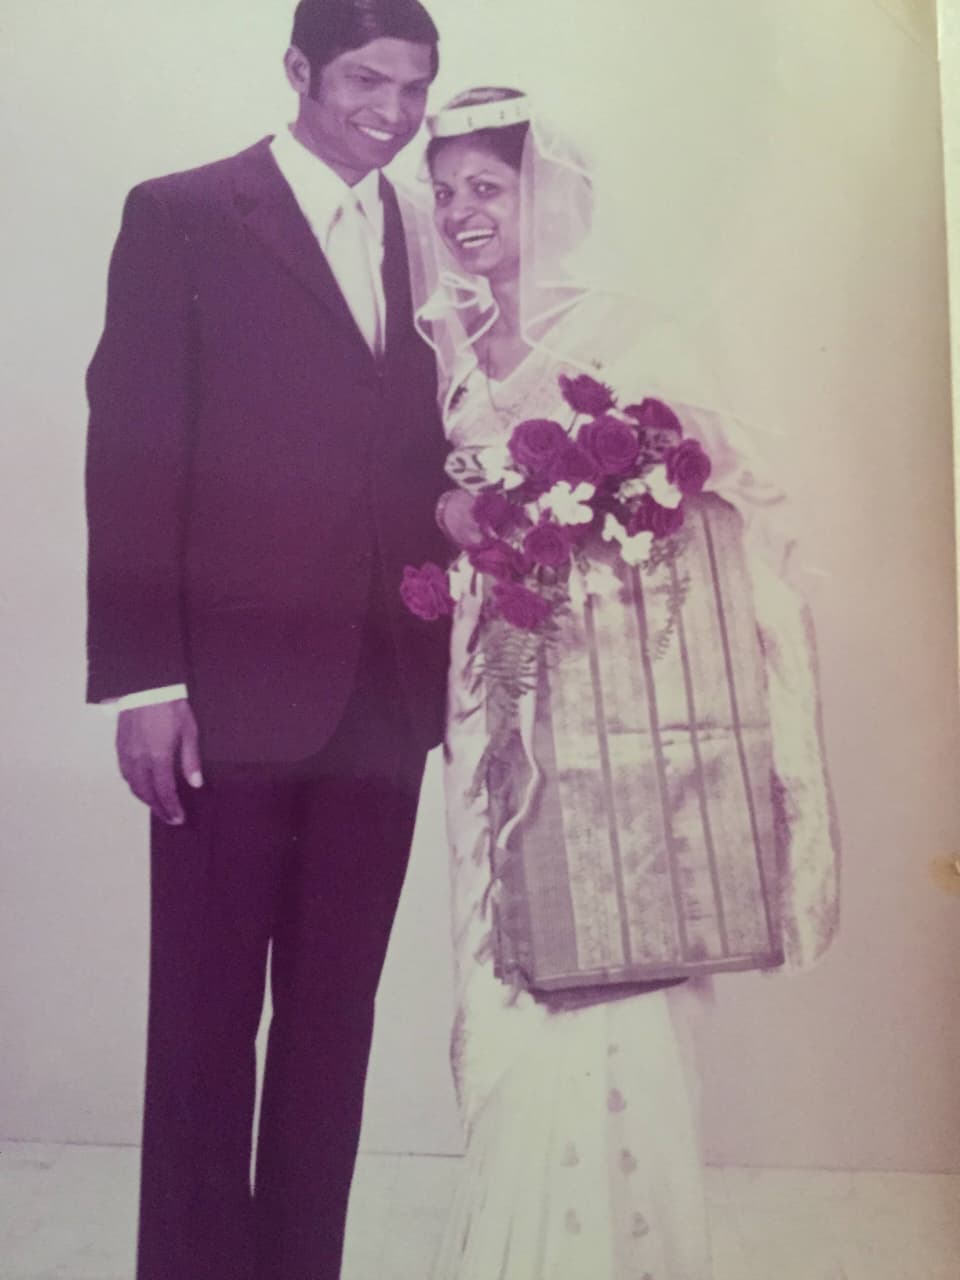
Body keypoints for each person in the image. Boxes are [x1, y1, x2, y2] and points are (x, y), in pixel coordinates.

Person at [402, 87, 840, 1279]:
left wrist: (591, 528)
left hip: (612, 704)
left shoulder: (625, 332)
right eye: (445, 194)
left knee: (616, 935)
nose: (462, 213)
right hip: (498, 688)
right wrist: (459, 517)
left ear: (542, 195)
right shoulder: (449, 340)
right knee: (508, 945)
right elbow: (435, 503)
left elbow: (732, 497)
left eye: (485, 187)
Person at [83, 3, 450, 1277]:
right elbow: (132, 450)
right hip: (223, 701)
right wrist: (146, 676)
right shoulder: (183, 213)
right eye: (366, 80)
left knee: (332, 1025)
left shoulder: (426, 232)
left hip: (387, 699)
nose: (394, 113)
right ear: (297, 71)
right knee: (200, 1026)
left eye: (415, 86)